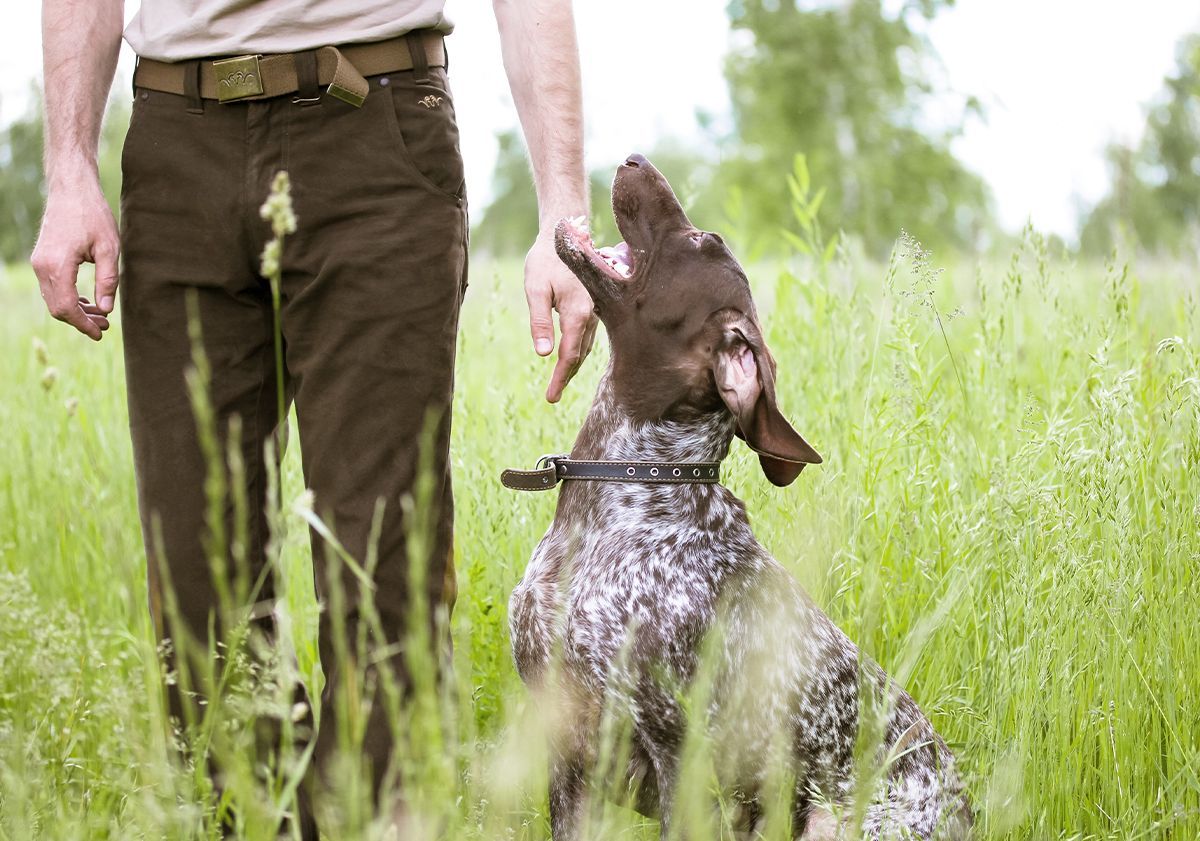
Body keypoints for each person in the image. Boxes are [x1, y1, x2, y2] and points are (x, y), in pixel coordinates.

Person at [31, 0, 596, 830]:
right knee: (198, 582)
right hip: (177, 148)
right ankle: (248, 815)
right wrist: (68, 166)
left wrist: (562, 211)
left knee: (384, 576)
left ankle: (371, 819)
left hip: (376, 131)